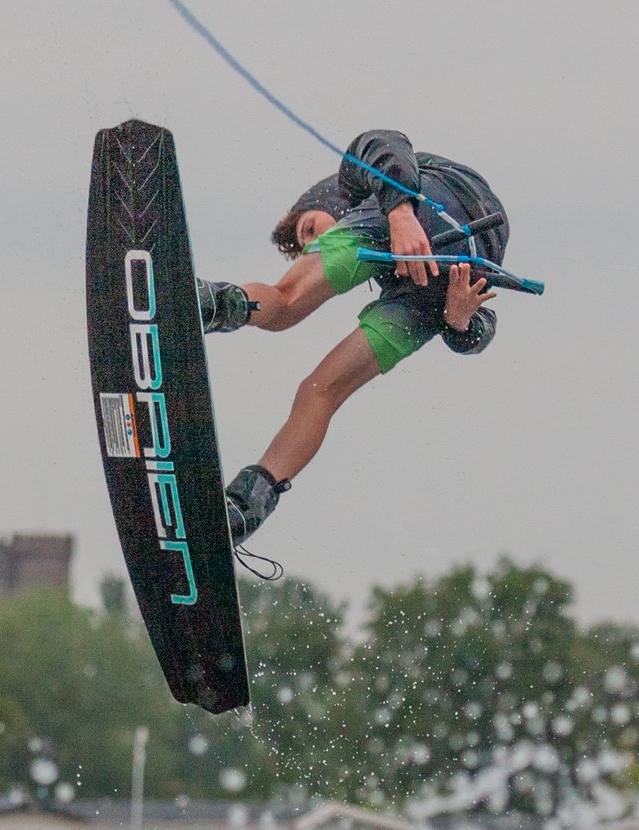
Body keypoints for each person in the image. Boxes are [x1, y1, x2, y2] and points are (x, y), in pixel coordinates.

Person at [197, 129, 510, 547]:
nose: (316, 244)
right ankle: (243, 510)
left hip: (430, 203)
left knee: (286, 302)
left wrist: (399, 212)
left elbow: (383, 142)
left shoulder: (359, 184)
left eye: (311, 228)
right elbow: (480, 330)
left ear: (327, 201)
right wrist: (458, 321)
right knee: (319, 392)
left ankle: (209, 303)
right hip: (436, 291)